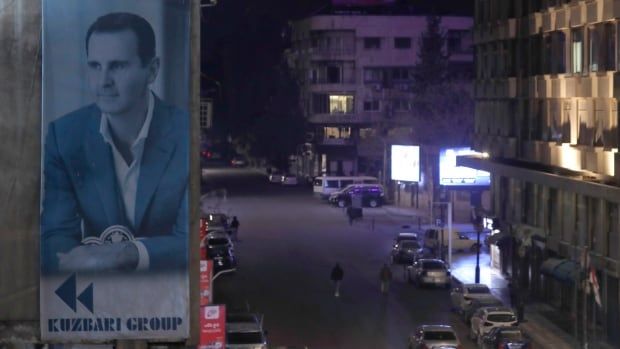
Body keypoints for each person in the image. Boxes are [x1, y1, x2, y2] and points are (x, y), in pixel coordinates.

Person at [41, 12, 189, 274]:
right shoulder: (64, 136)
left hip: (171, 298)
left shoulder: (186, 133)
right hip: (95, 298)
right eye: (95, 66)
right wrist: (71, 261)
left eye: (117, 66)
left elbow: (190, 240)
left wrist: (129, 254)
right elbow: (56, 235)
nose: (103, 81)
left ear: (152, 70)